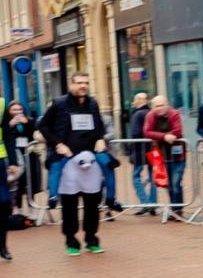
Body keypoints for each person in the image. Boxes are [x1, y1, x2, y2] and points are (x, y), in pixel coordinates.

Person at [38, 72, 121, 214]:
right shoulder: (59, 103)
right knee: (56, 167)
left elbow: (99, 125)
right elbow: (43, 125)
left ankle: (111, 199)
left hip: (90, 149)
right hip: (66, 150)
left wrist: (101, 138)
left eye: (86, 83)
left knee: (109, 164)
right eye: (79, 83)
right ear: (71, 84)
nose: (83, 86)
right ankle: (52, 196)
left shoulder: (93, 103)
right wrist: (58, 144)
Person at [143, 95, 186, 221]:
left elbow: (178, 130)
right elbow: (147, 132)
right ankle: (175, 209)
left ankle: (178, 209)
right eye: (157, 106)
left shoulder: (174, 114)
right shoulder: (150, 116)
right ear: (153, 107)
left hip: (178, 154)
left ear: (167, 104)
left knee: (176, 183)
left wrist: (165, 136)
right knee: (168, 184)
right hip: (161, 155)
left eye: (162, 105)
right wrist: (165, 136)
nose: (160, 108)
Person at [2, 100, 37, 215]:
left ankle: (32, 211)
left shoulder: (29, 120)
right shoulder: (6, 123)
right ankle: (19, 211)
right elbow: (7, 138)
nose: (17, 112)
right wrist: (10, 125)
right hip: (15, 155)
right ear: (9, 111)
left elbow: (34, 134)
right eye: (14, 110)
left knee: (31, 182)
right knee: (18, 183)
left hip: (29, 154)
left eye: (19, 109)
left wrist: (27, 123)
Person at [127, 93, 155, 216]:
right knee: (153, 177)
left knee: (136, 177)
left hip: (139, 149)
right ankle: (153, 204)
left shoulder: (137, 114)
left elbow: (135, 133)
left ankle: (145, 203)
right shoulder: (152, 113)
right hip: (152, 149)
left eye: (138, 99)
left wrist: (129, 149)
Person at [0, 96, 20, 260]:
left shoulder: (1, 103)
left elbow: (7, 134)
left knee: (4, 202)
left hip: (0, 160)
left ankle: (2, 245)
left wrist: (12, 161)